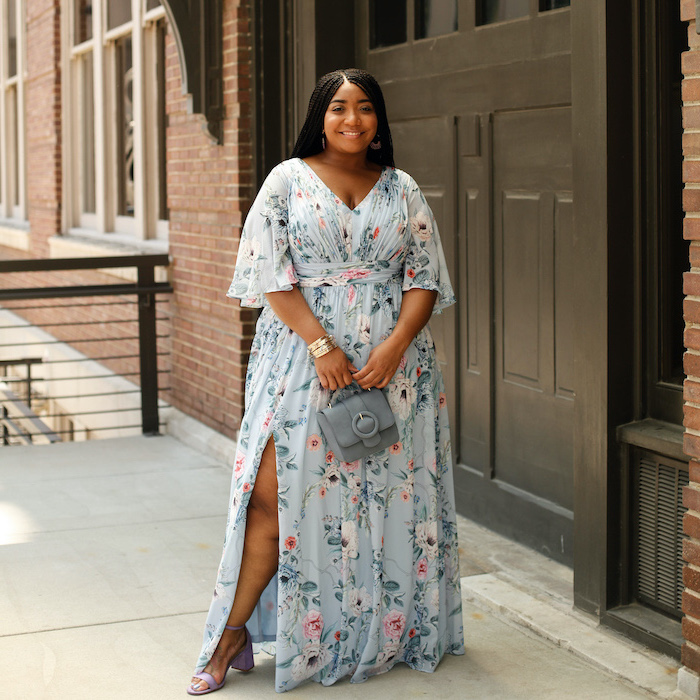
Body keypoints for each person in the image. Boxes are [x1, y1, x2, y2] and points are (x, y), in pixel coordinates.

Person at [187, 68, 464, 695]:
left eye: (365, 108)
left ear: (378, 120)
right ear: (321, 115)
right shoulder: (286, 181)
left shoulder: (401, 188)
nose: (353, 120)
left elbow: (425, 278)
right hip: (301, 362)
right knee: (269, 498)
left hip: (392, 372)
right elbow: (269, 276)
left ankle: (380, 627)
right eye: (339, 107)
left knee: (386, 500)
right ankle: (230, 639)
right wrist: (320, 345)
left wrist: (394, 347)